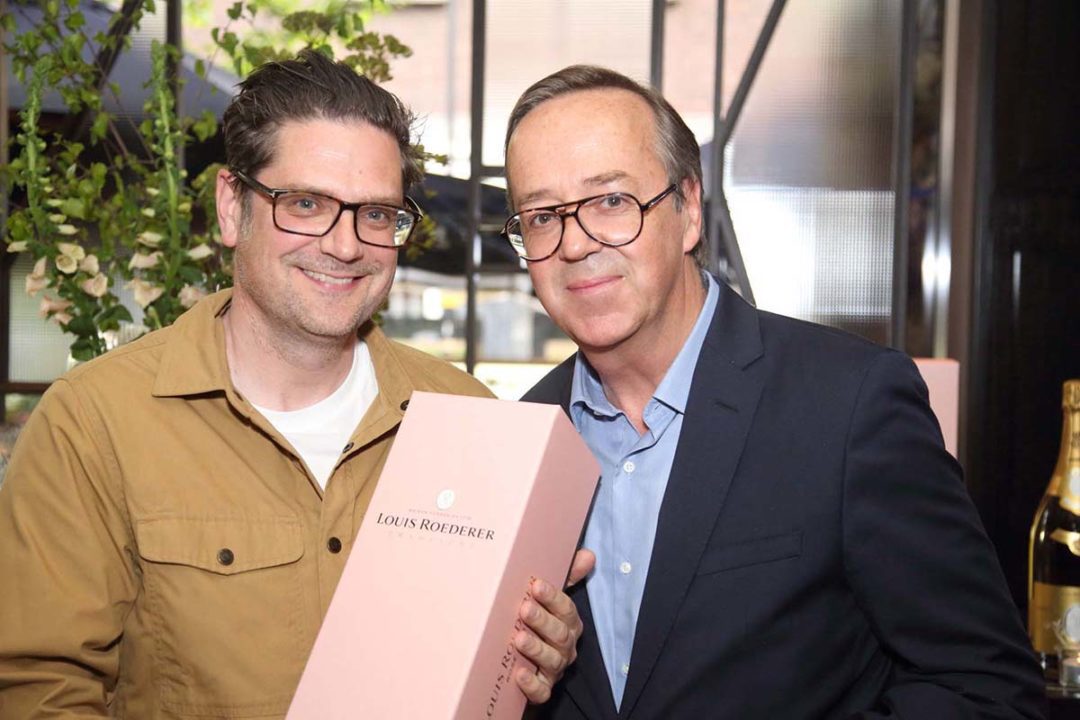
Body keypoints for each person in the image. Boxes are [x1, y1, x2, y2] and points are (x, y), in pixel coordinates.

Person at [0, 50, 588, 718]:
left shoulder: (468, 418)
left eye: (376, 214)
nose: (346, 245)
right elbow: (39, 690)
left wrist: (537, 648)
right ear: (232, 207)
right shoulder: (94, 423)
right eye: (306, 204)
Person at [503, 65, 1046, 719]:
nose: (575, 244)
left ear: (689, 211)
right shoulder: (523, 437)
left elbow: (985, 688)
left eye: (612, 201)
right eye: (542, 216)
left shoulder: (848, 404)